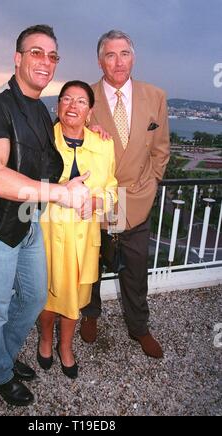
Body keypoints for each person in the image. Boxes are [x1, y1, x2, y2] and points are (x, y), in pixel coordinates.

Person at [0, 25, 91, 407]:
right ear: (17, 58)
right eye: (36, 52)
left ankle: (2, 355)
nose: (45, 62)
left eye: (52, 56)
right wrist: (60, 194)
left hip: (26, 219)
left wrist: (87, 127)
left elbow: (48, 162)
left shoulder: (38, 110)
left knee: (33, 297)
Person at [80, 30, 170, 359]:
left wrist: (152, 184)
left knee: (136, 270)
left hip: (136, 201)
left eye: (125, 54)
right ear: (99, 60)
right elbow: (63, 142)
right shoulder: (83, 97)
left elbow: (161, 151)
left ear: (134, 56)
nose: (119, 62)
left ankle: (139, 327)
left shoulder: (156, 96)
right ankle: (90, 315)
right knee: (91, 265)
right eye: (110, 55)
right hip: (98, 202)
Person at [38, 81, 117, 378]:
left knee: (74, 298)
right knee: (45, 295)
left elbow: (113, 192)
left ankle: (66, 346)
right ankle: (46, 340)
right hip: (46, 234)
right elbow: (27, 185)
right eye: (66, 99)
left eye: (81, 101)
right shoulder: (42, 139)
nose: (73, 106)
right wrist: (58, 191)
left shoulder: (104, 144)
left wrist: (96, 201)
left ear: (90, 111)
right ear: (58, 106)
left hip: (84, 238)